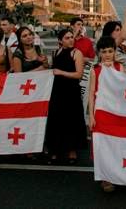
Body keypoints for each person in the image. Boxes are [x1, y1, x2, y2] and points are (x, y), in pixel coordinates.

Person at [88, 36, 126, 193]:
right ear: (99, 53)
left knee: (116, 143)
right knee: (102, 145)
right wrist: (91, 115)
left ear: (115, 52)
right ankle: (105, 177)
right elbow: (91, 93)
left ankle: (117, 173)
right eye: (104, 51)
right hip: (101, 111)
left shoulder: (119, 67)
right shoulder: (95, 70)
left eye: (110, 51)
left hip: (117, 111)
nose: (107, 54)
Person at [45, 29, 87, 164]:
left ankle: (72, 152)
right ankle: (55, 151)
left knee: (71, 121)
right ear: (60, 41)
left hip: (71, 92)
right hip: (57, 92)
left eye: (71, 37)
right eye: (67, 38)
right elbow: (52, 71)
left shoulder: (77, 53)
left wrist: (61, 72)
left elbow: (79, 74)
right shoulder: (56, 53)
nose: (71, 40)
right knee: (57, 121)